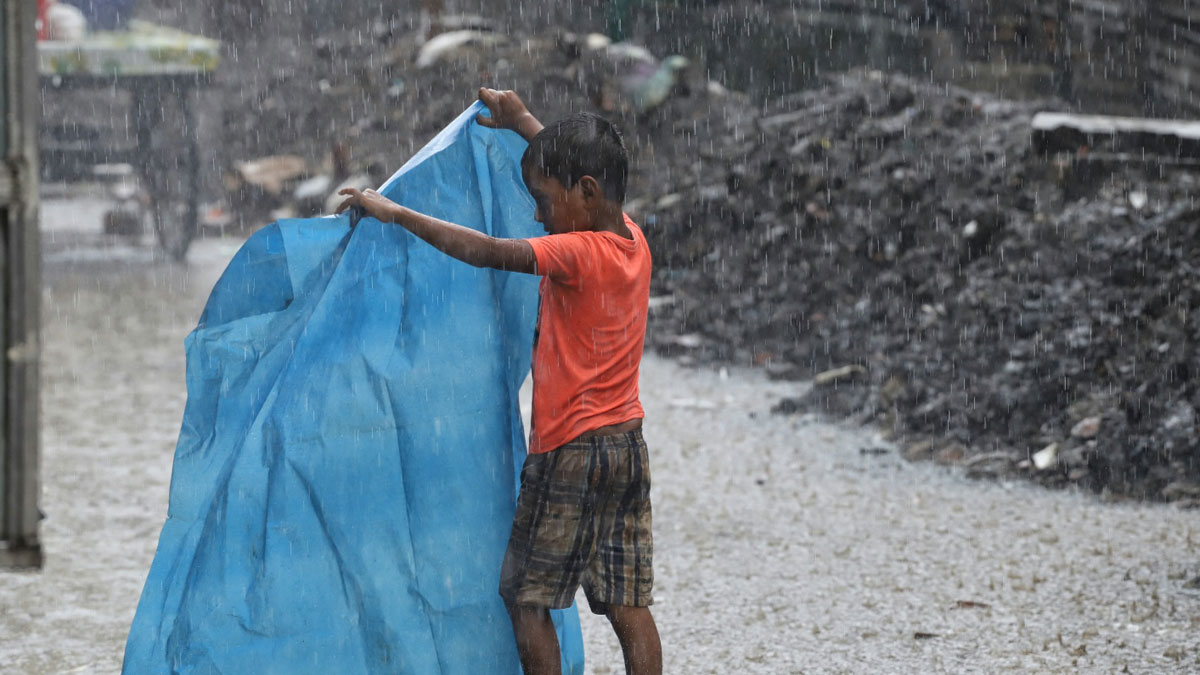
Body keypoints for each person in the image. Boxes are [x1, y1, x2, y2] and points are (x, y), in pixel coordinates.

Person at [336, 88, 661, 675]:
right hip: (625, 445)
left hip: (570, 450)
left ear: (585, 193)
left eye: (542, 199)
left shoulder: (577, 251)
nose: (538, 214)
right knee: (626, 601)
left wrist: (398, 214)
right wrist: (522, 123)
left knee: (526, 597)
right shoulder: (631, 240)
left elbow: (487, 251)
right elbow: (573, 172)